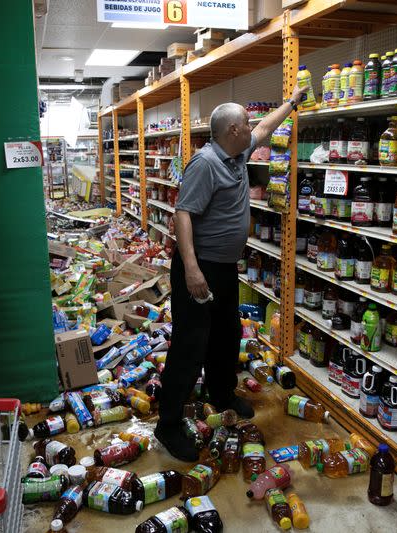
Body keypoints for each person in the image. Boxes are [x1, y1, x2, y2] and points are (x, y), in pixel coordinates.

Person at [154, 83, 310, 461]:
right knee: (191, 344)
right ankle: (169, 424)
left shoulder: (236, 153)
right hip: (199, 268)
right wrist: (191, 269)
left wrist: (290, 102)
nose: (251, 126)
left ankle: (221, 392)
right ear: (232, 132)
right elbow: (183, 214)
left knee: (227, 333)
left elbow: (266, 129)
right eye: (246, 123)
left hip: (224, 268)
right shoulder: (206, 164)